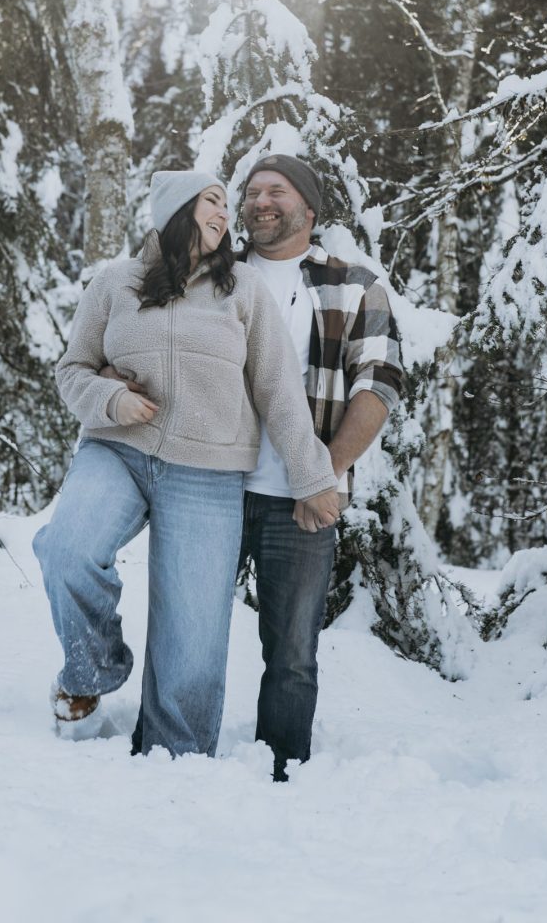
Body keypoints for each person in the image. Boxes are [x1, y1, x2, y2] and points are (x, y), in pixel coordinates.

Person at [32, 169, 340, 759]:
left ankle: (177, 763)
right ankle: (90, 673)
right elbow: (72, 370)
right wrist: (111, 398)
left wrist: (313, 477)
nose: (227, 214)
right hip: (118, 450)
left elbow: (278, 388)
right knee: (66, 552)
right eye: (213, 202)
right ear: (175, 209)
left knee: (193, 644)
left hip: (207, 472)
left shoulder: (243, 289)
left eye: (228, 206)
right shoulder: (114, 283)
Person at [238, 154, 404, 781]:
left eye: (275, 191)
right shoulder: (215, 277)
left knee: (292, 653)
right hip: (210, 489)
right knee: (185, 633)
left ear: (308, 208)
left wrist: (323, 475)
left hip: (302, 502)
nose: (260, 201)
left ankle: (281, 774)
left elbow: (379, 385)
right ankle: (170, 756)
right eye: (252, 192)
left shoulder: (354, 284)